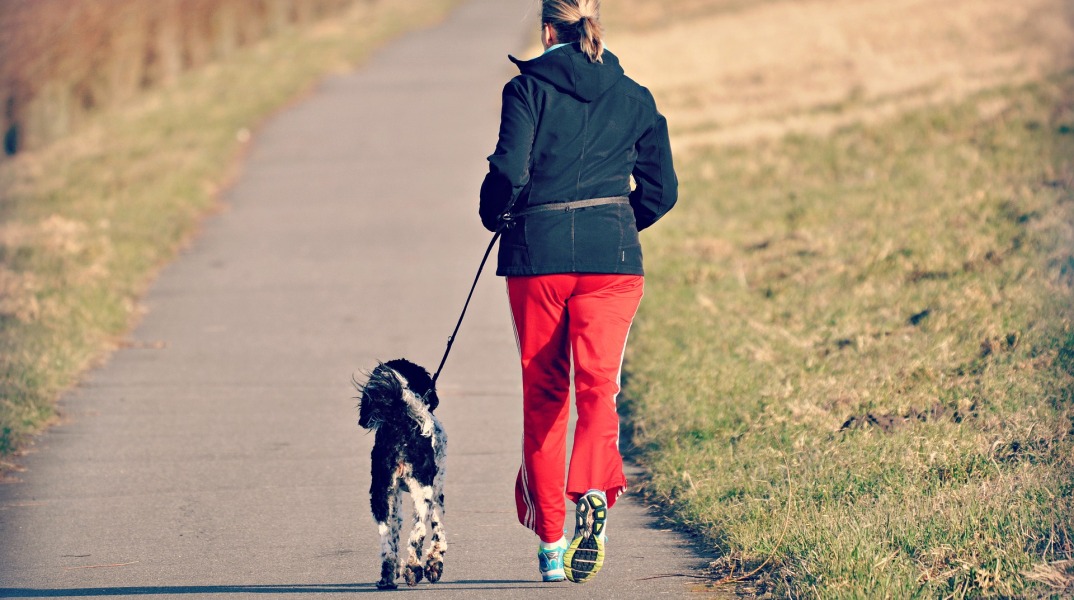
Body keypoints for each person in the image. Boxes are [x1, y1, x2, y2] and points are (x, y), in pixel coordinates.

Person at [479, 0, 677, 585]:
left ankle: (551, 547)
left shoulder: (526, 91)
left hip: (537, 261)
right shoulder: (636, 95)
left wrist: (497, 217)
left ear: (547, 28)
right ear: (595, 24)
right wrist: (613, 225)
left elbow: (509, 174)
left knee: (544, 398)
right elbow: (661, 190)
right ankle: (591, 486)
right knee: (599, 389)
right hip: (611, 259)